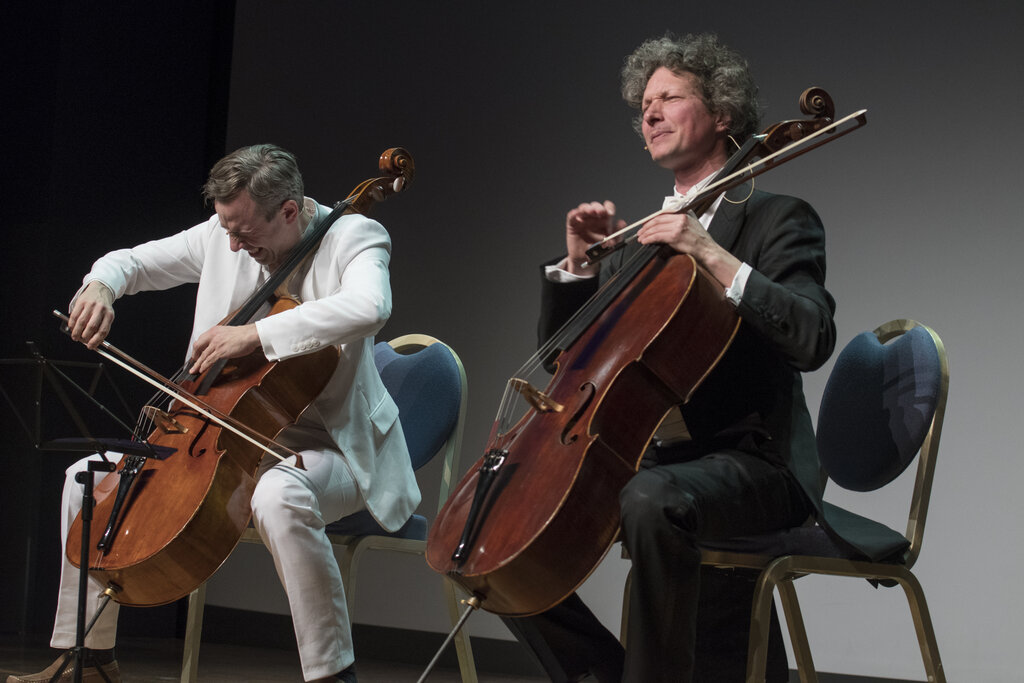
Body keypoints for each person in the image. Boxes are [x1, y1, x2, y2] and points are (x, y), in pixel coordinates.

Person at [9, 144, 419, 683]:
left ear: (289, 211)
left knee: (280, 494)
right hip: (225, 435)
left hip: (332, 446)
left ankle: (332, 675)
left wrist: (255, 334)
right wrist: (101, 286)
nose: (232, 245)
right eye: (226, 229)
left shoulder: (355, 236)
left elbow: (369, 307)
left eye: (243, 232)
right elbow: (133, 262)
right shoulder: (223, 235)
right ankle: (87, 660)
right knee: (85, 480)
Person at [504, 33, 836, 682]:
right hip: (659, 462)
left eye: (670, 98)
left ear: (723, 113)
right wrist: (578, 266)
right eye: (644, 105)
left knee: (652, 499)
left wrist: (709, 252)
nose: (650, 113)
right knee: (502, 518)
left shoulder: (776, 219)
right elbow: (564, 362)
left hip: (757, 463)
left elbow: (811, 337)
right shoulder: (638, 247)